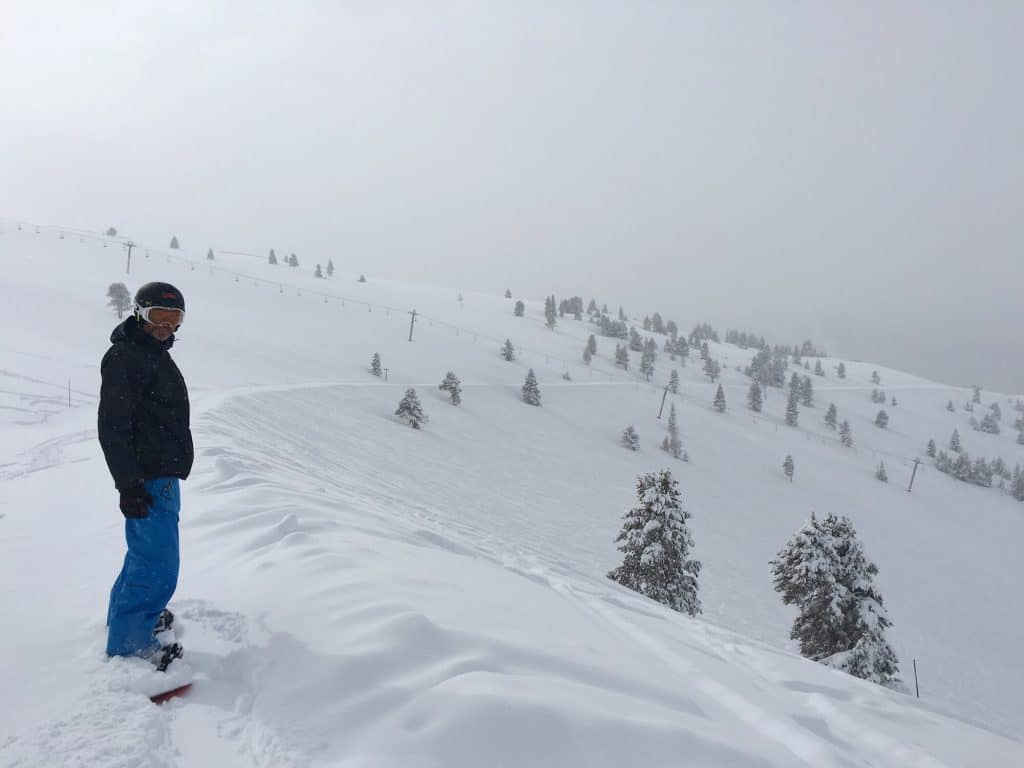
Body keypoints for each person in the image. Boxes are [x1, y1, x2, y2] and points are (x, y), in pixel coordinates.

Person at [98, 281, 193, 670]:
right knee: (158, 564)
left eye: (174, 319)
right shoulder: (128, 357)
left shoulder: (150, 353)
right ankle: (129, 648)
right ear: (139, 313)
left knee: (144, 556)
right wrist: (129, 484)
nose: (165, 326)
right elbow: (113, 426)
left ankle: (130, 622)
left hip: (159, 474)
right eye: (158, 317)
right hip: (147, 478)